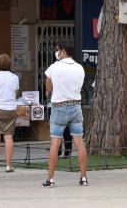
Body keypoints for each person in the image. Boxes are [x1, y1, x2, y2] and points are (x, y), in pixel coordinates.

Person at [43, 45, 88, 187]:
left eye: (57, 49)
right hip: (76, 106)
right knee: (79, 143)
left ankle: (50, 179)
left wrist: (49, 92)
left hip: (59, 108)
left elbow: (48, 87)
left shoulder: (54, 67)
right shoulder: (80, 68)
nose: (56, 52)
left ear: (63, 51)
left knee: (55, 144)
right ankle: (83, 178)